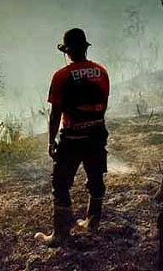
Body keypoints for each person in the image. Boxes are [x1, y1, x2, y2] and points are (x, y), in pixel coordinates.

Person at [35, 28, 110, 248]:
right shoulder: (101, 72)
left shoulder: (61, 76)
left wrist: (51, 141)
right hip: (97, 134)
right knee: (96, 179)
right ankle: (92, 222)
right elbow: (103, 106)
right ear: (85, 48)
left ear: (67, 51)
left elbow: (56, 113)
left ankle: (60, 234)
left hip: (73, 137)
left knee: (61, 183)